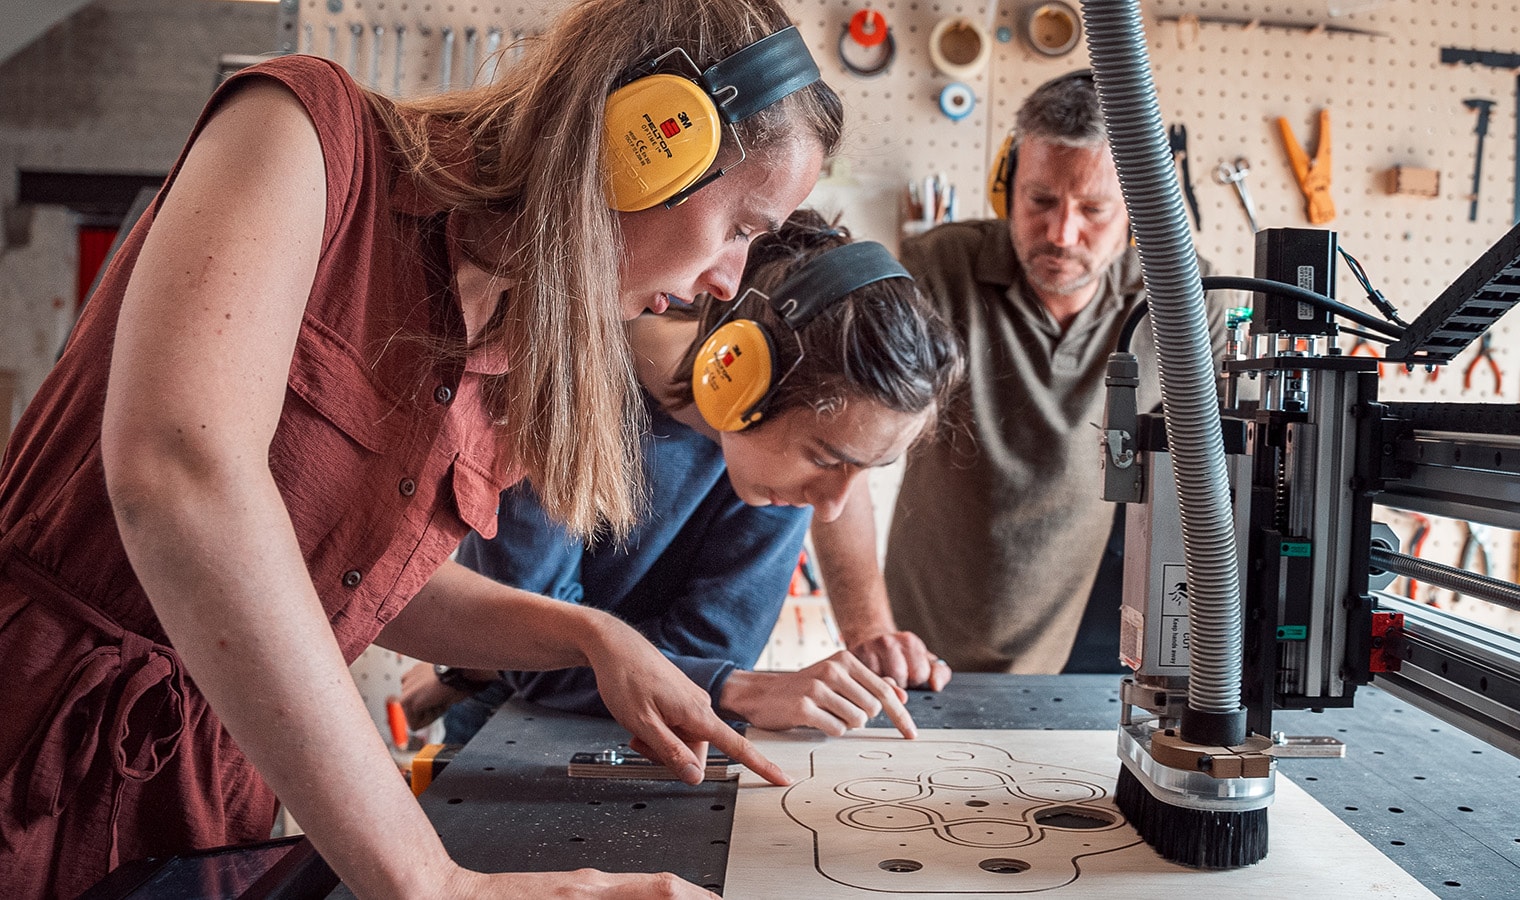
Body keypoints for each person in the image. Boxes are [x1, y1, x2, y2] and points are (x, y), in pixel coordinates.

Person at [0, 0, 844, 895]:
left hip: (220, 781)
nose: (728, 280)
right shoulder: (304, 136)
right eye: (744, 227)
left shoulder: (524, 342)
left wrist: (590, 637)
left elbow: (360, 576)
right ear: (649, 142)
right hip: (32, 734)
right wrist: (440, 885)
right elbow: (181, 479)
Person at [402, 210, 964, 743]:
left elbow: (718, 645)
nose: (833, 506)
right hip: (515, 721)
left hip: (666, 722)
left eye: (862, 469)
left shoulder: (771, 467)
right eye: (825, 457)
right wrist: (721, 685)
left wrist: (710, 680)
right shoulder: (562, 384)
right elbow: (536, 653)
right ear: (740, 375)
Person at [880, 71, 1230, 675]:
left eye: (1093, 209)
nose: (1061, 234)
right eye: (1040, 200)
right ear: (1006, 186)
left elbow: (1210, 486)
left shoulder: (1181, 300)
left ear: (1141, 211)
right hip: (920, 644)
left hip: (1089, 641)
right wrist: (870, 629)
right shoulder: (937, 272)